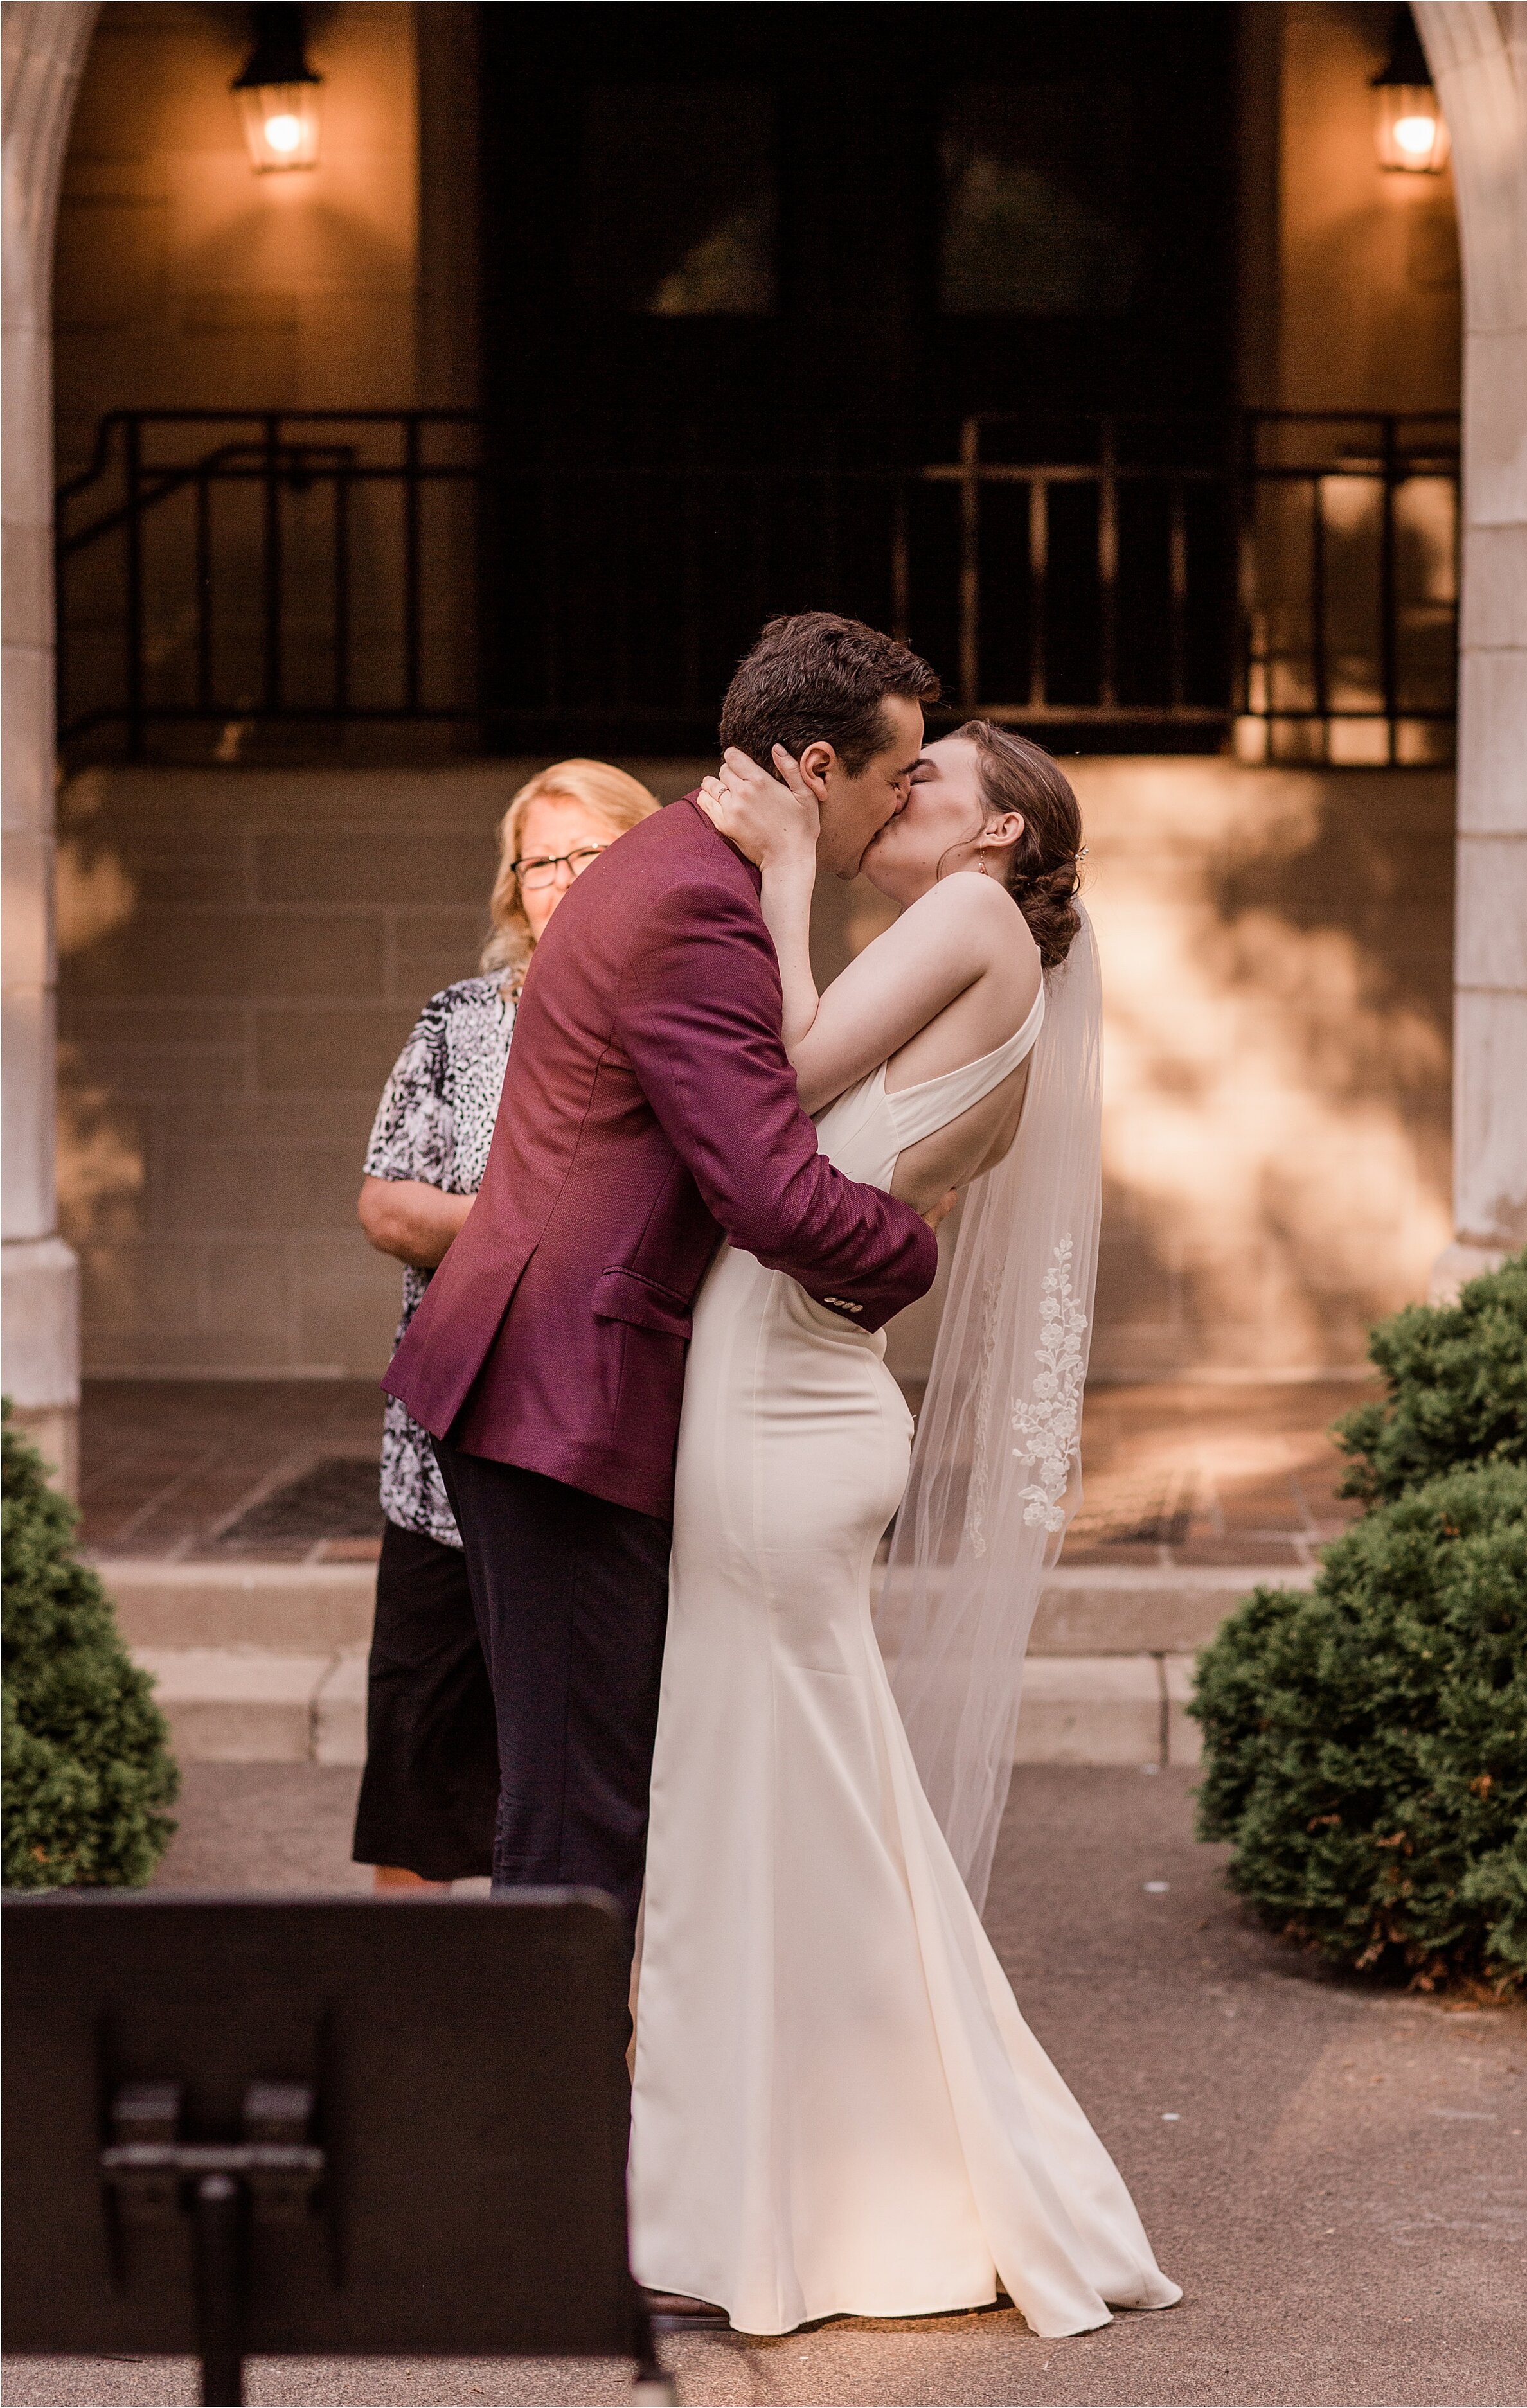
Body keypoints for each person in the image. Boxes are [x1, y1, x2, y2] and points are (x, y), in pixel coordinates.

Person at [626, 720, 1180, 2337]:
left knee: (763, 1796)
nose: (894, 790)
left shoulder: (967, 919)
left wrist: (783, 872)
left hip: (777, 1408)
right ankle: (798, 2176)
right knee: (792, 1794)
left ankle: (796, 2198)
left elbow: (772, 1083)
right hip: (799, 1397)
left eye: (927, 775)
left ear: (998, 832)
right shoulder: (981, 948)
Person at [381, 621, 943, 2059]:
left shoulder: (691, 875)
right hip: (560, 1393)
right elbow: (759, 1185)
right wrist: (922, 1245)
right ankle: (546, 2227)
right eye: (890, 779)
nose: (900, 804)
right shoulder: (693, 903)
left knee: (574, 1804)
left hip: (544, 1378)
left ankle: (559, 2185)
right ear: (815, 768)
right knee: (574, 1821)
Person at [352, 759, 661, 1890]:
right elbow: (387, 1202)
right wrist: (542, 1229)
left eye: (593, 857)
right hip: (443, 1466)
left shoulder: (688, 1015)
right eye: (542, 864)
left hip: (596, 1461)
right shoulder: (460, 1024)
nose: (567, 884)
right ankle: (406, 2048)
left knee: (596, 1778)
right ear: (512, 887)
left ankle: (590, 2037)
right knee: (420, 1775)